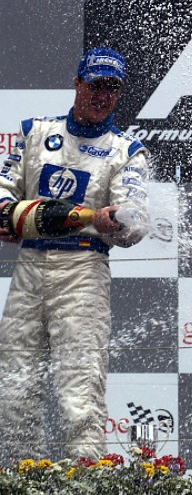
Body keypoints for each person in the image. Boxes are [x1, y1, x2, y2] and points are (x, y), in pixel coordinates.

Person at [0, 47, 150, 462]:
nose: (102, 95)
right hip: (30, 266)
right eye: (95, 85)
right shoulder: (35, 133)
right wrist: (10, 215)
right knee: (15, 385)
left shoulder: (126, 150)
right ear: (77, 83)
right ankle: (20, 490)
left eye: (112, 88)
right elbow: (4, 189)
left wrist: (115, 221)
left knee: (78, 390)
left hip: (83, 268)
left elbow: (136, 219)